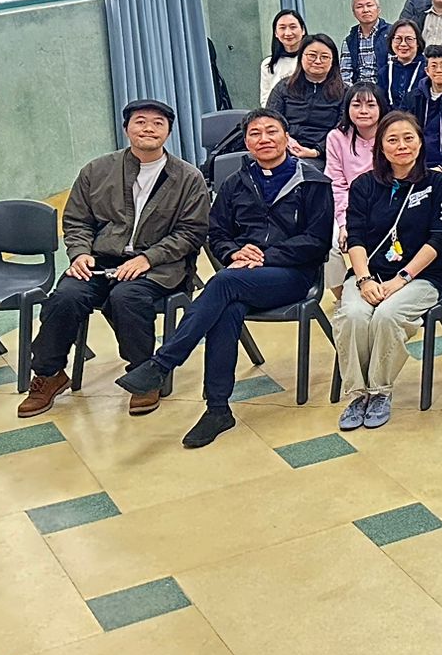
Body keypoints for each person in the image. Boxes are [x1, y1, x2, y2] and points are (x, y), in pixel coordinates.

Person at [116, 112, 333, 449]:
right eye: (255, 133)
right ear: (246, 142)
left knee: (223, 284)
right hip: (243, 274)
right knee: (226, 307)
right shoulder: (235, 183)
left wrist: (265, 256)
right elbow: (217, 234)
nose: (264, 139)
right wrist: (233, 252)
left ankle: (162, 363)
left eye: (272, 131)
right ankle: (217, 409)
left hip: (292, 275)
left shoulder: (314, 182)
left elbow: (317, 241)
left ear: (287, 137)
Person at [19, 100, 211, 421]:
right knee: (65, 297)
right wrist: (80, 253)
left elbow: (192, 232)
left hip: (159, 266)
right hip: (100, 260)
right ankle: (48, 374)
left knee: (127, 297)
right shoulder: (96, 171)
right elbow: (77, 221)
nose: (148, 128)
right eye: (140, 121)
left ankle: (143, 374)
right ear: (126, 129)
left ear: (168, 132)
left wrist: (148, 258)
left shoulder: (188, 178)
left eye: (158, 123)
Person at [332, 109, 442, 431]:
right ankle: (357, 395)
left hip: (421, 277)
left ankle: (380, 392)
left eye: (408, 138)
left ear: (420, 142)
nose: (402, 146)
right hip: (369, 274)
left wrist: (402, 279)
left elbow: (440, 238)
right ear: (381, 147)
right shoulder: (363, 185)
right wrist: (363, 279)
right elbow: (356, 237)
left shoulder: (438, 183)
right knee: (353, 315)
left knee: (387, 315)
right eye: (392, 140)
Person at [267, 34, 348, 159]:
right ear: (301, 57)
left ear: (333, 61)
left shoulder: (344, 92)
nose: (318, 61)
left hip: (325, 154)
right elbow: (271, 119)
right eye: (312, 55)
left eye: (324, 57)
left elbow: (343, 128)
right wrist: (286, 140)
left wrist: (316, 151)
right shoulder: (284, 87)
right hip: (284, 148)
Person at [324, 86, 381, 246]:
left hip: (383, 205)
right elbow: (337, 185)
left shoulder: (390, 136)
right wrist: (344, 223)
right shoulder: (336, 137)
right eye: (356, 105)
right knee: (336, 242)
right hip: (348, 204)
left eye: (371, 105)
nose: (363, 111)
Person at [260, 8, 308, 106]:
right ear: (275, 33)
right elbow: (265, 100)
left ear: (302, 30)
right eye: (282, 28)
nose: (288, 33)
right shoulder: (268, 64)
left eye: (293, 27)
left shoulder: (312, 61)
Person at [343, 0, 390, 88]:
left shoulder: (391, 34)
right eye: (359, 7)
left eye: (369, 5)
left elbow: (394, 69)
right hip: (357, 90)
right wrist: (352, 92)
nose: (365, 10)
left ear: (378, 10)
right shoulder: (349, 40)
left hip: (384, 90)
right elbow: (345, 73)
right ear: (354, 13)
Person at [376, 21, 425, 114]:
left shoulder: (427, 70)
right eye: (398, 39)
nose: (403, 44)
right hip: (390, 119)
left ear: (418, 42)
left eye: (409, 39)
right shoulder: (384, 72)